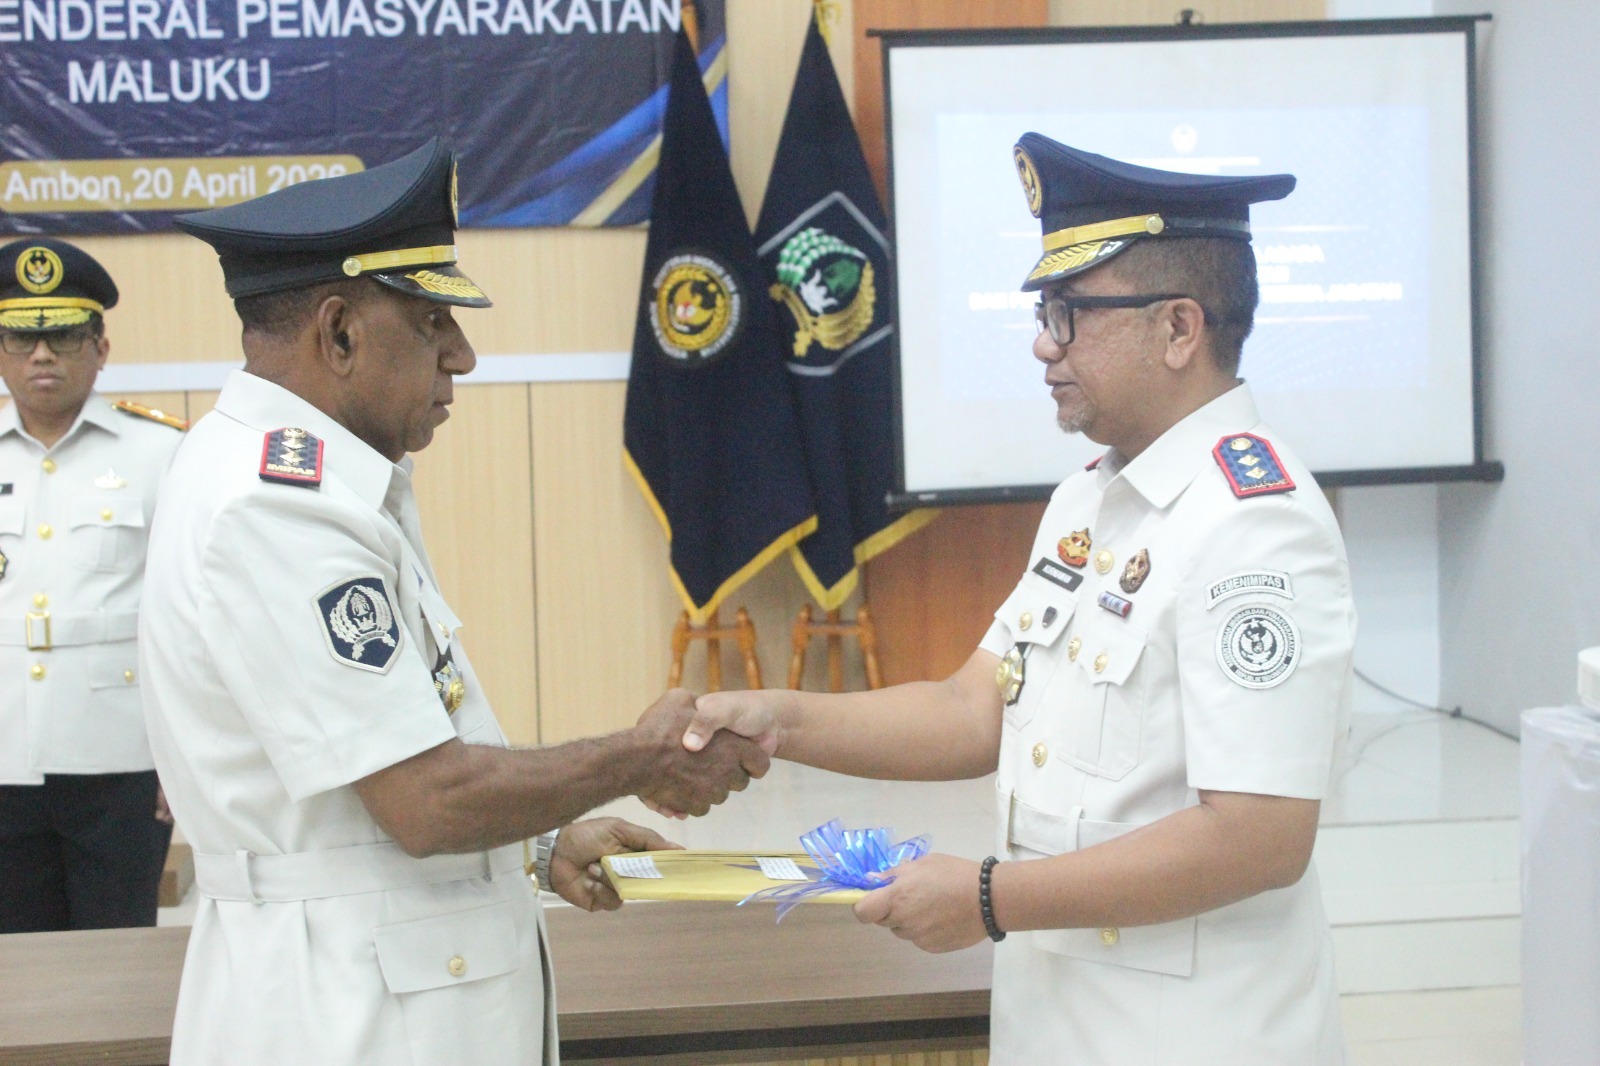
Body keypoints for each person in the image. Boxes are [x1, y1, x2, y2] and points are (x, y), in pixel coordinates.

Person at [682, 134, 1356, 1064]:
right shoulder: (1090, 499)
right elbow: (974, 710)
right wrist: (777, 720)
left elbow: (1260, 838)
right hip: (1061, 1023)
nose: (1044, 343)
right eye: (1045, 312)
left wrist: (991, 898)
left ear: (1179, 329)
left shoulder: (1255, 525)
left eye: (1071, 313)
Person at [143, 140, 768, 1065]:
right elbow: (425, 802)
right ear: (339, 334)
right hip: (350, 1016)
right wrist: (640, 757)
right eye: (433, 321)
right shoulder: (275, 508)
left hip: (374, 981)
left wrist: (538, 841)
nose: (464, 357)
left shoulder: (309, 476)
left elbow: (377, 769)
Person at [0, 237, 184, 933]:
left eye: (66, 337)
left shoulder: (162, 453)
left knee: (118, 956)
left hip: (121, 758)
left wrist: (182, 758)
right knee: (17, 969)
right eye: (22, 339)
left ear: (101, 349)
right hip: (4, 756)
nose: (42, 356)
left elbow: (188, 618)